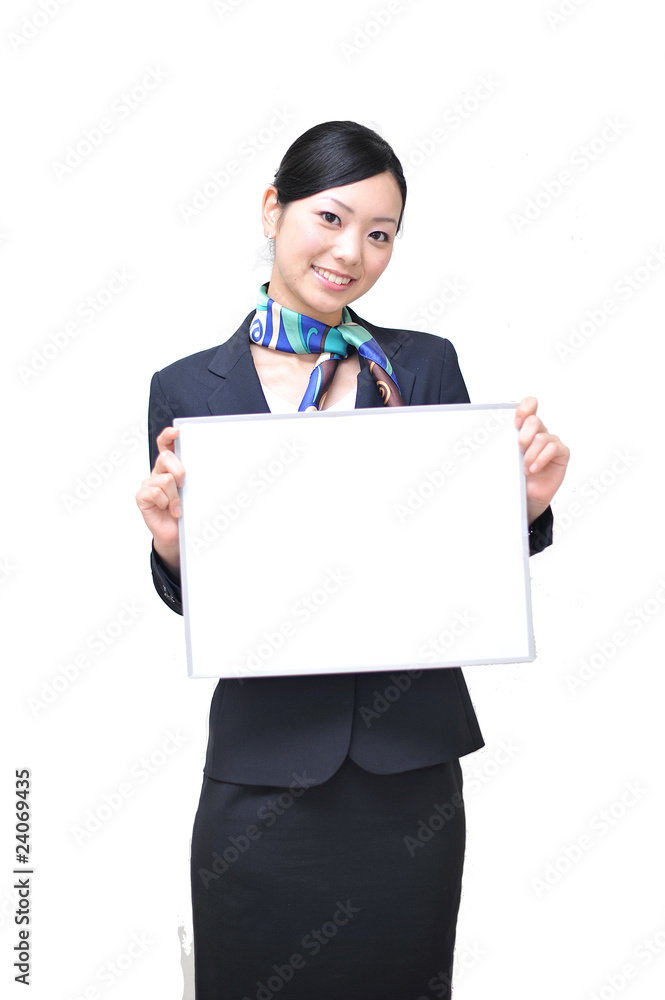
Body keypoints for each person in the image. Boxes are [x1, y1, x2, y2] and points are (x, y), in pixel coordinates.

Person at [136, 121, 569, 999]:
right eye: (331, 218)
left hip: (405, 772)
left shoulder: (421, 366)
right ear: (273, 209)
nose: (352, 252)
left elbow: (463, 573)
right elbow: (206, 604)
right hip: (260, 775)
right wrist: (175, 551)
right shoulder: (187, 388)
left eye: (380, 234)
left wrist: (523, 507)